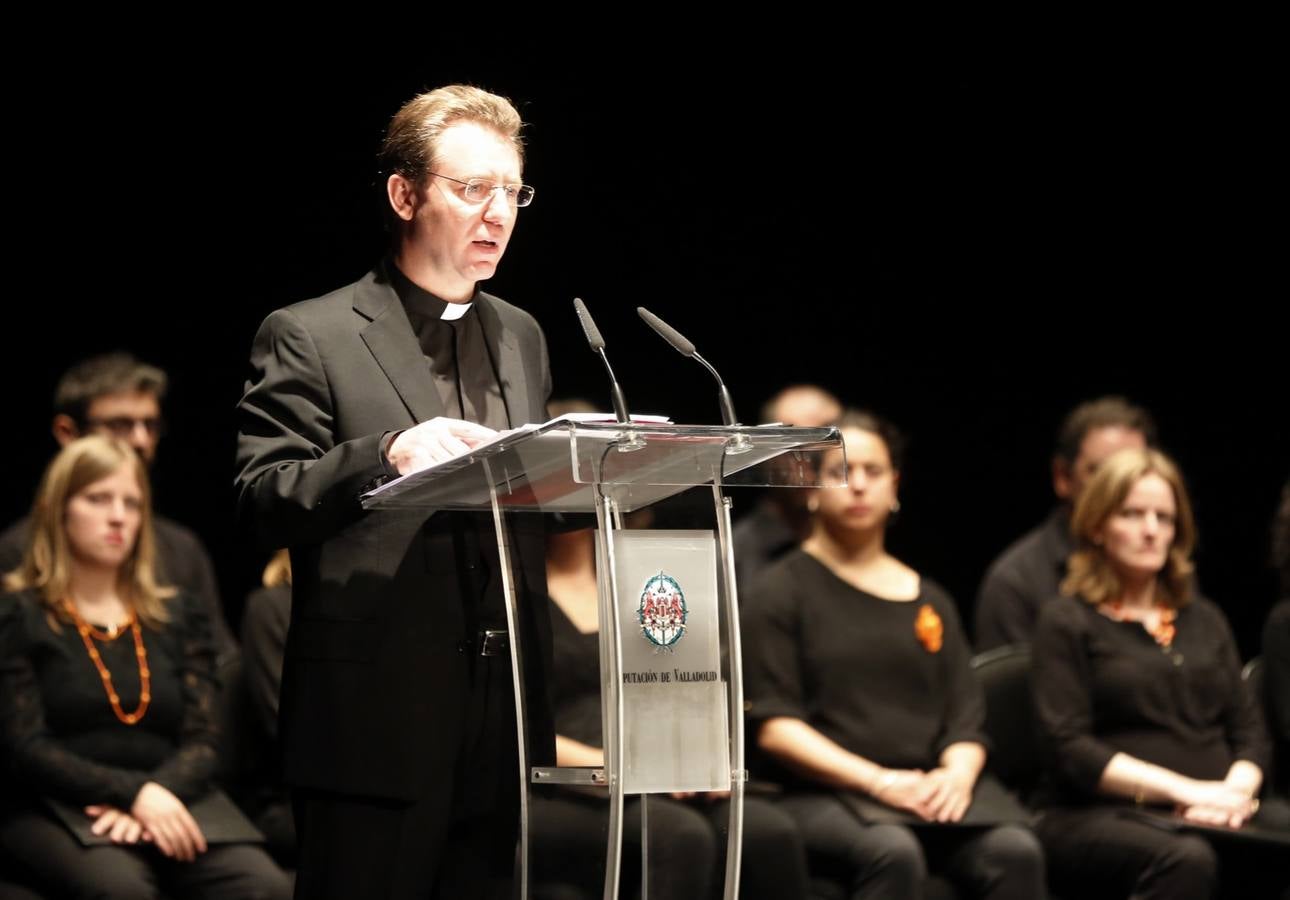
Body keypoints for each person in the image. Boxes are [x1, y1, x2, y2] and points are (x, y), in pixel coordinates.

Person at [235, 84, 554, 899]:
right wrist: (384, 453)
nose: (499, 212)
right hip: (373, 722)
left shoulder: (521, 334)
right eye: (472, 188)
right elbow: (261, 494)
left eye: (512, 191)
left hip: (500, 720)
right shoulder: (314, 332)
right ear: (404, 195)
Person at [743, 410, 1045, 899]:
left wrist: (956, 778)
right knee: (893, 850)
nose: (859, 485)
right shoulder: (778, 592)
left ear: (895, 484)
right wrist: (880, 782)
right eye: (843, 471)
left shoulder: (931, 598)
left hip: (926, 789)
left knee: (1015, 849)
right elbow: (778, 729)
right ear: (813, 489)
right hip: (824, 793)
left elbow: (966, 720)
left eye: (874, 471)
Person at [0, 436, 289, 899]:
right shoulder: (19, 615)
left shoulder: (177, 616)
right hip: (55, 803)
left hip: (174, 796)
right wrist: (133, 795)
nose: (118, 516)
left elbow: (206, 739)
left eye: (132, 504)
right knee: (120, 888)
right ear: (59, 509)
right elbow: (24, 746)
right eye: (98, 499)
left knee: (263, 885)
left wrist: (156, 793)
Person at [1032, 447, 1275, 899]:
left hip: (1214, 807)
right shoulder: (1067, 620)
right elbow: (1070, 748)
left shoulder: (1205, 619)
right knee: (1186, 857)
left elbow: (1250, 733)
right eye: (1132, 514)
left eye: (1163, 518)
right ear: (1098, 526)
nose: (1150, 530)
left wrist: (1231, 795)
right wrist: (1188, 792)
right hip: (1096, 812)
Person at [532, 523, 811, 900]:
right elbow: (515, 729)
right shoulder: (513, 592)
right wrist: (625, 768)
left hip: (658, 773)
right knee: (681, 836)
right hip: (567, 782)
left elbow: (683, 684)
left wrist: (698, 759)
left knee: (770, 833)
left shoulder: (644, 576)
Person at [0, 352, 235, 661]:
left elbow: (221, 662)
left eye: (150, 425)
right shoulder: (19, 550)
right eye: (120, 424)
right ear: (67, 433)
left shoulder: (181, 549)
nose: (140, 439)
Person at [976, 396, 1155, 650]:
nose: (1117, 489)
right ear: (1063, 477)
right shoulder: (1016, 582)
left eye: (1133, 474)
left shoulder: (1160, 566)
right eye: (1102, 472)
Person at [733, 385, 841, 594]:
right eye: (794, 448)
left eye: (821, 447)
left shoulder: (857, 535)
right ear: (767, 455)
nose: (808, 463)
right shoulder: (737, 551)